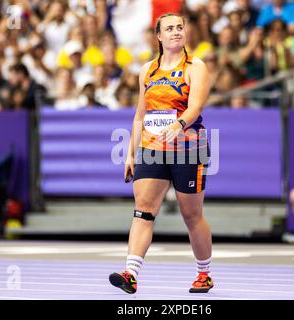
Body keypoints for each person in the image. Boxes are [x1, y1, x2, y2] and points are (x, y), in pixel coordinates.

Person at [109, 13, 213, 294]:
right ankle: (130, 273)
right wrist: (130, 154)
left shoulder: (196, 67)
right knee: (143, 212)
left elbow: (196, 107)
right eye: (170, 28)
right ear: (159, 36)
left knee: (191, 216)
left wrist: (178, 125)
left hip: (188, 148)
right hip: (153, 148)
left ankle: (204, 273)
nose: (177, 32)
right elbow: (139, 116)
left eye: (180, 27)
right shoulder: (148, 71)